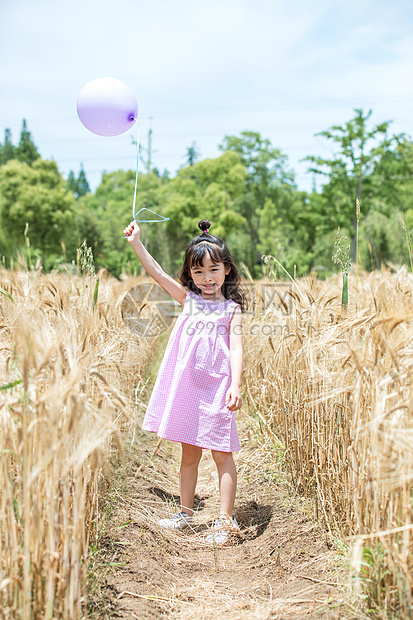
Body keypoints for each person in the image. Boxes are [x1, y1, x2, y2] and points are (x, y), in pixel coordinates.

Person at [123, 218, 246, 544]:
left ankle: (225, 519)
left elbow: (236, 349)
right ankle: (186, 512)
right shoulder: (189, 301)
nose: (207, 278)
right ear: (190, 275)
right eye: (198, 272)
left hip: (218, 387)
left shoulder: (231, 310)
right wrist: (137, 243)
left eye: (214, 270)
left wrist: (235, 385)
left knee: (222, 453)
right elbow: (158, 274)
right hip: (190, 388)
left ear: (227, 270)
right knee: (189, 455)